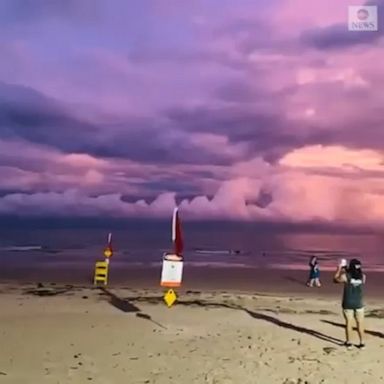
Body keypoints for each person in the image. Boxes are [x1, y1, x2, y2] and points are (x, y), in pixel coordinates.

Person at [334, 258, 366, 349]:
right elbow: (356, 276)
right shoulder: (363, 276)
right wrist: (348, 270)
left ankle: (349, 342)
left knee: (349, 323)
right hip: (359, 303)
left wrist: (339, 268)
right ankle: (362, 343)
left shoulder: (345, 276)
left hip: (348, 302)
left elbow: (335, 279)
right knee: (360, 323)